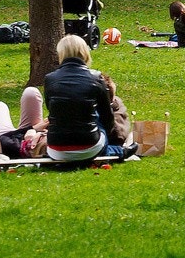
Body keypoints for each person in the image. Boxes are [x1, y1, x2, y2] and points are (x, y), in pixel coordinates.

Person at [45, 34, 136, 163]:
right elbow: (107, 118)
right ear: (85, 52)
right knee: (97, 114)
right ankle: (119, 151)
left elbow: (50, 108)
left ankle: (109, 149)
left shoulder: (50, 79)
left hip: (55, 148)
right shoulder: (96, 78)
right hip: (89, 145)